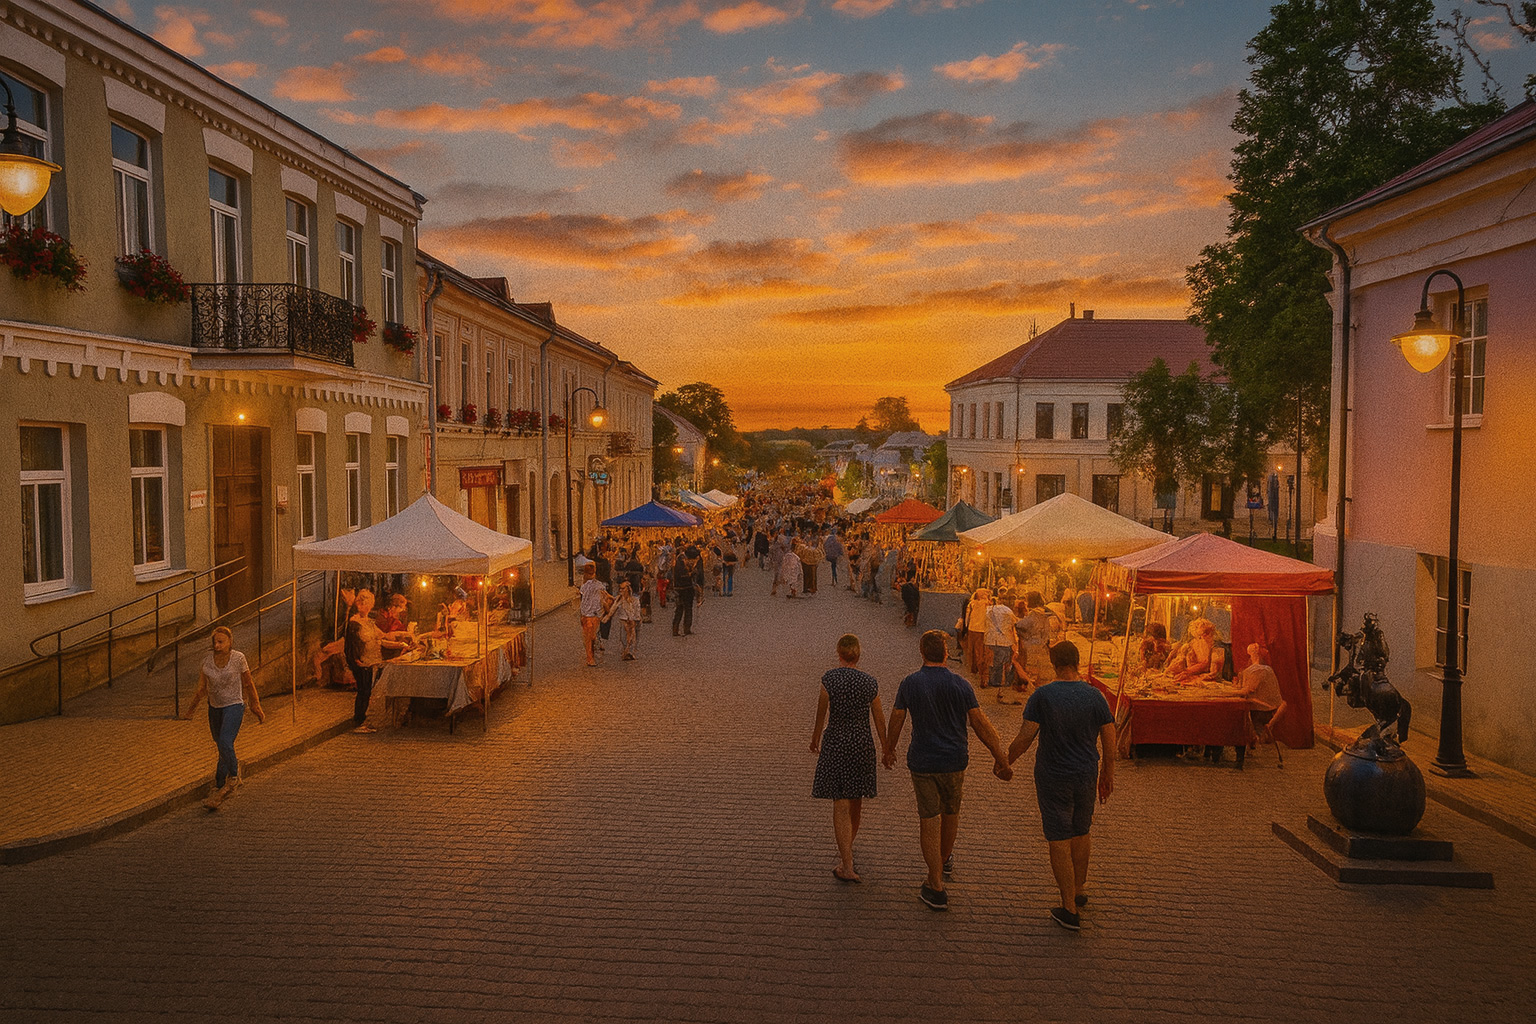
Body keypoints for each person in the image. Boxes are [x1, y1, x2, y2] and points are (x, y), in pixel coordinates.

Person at [882, 630, 1013, 911]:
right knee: (951, 814)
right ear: (945, 653)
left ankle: (936, 883)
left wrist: (889, 748)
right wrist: (999, 755)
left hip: (923, 761)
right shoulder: (961, 684)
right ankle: (942, 863)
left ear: (921, 652)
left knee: (929, 819)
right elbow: (979, 722)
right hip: (955, 759)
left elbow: (897, 717)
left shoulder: (910, 683)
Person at [1005, 640, 1116, 931]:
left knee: (1058, 836)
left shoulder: (1043, 696)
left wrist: (1005, 761)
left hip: (1053, 775)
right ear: (1077, 662)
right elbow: (1109, 737)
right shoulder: (1096, 696)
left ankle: (1068, 906)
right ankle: (1078, 889)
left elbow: (1026, 737)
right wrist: (1108, 773)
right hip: (1085, 774)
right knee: (1082, 830)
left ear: (1055, 663)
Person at [810, 634, 887, 883]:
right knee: (856, 801)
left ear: (839, 653)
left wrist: (815, 740)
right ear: (858, 654)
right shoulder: (869, 683)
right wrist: (887, 748)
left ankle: (846, 862)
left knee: (840, 803)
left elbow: (822, 713)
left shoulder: (829, 680)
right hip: (862, 744)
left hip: (837, 742)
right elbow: (878, 718)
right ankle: (847, 849)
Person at [182, 625, 265, 810]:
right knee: (221, 745)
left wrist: (255, 705)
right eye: (215, 642)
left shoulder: (238, 658)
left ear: (230, 642)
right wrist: (191, 710)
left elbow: (248, 682)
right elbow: (201, 688)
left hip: (234, 705)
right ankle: (219, 783)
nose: (217, 645)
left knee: (226, 742)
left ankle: (234, 777)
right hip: (215, 708)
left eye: (221, 641)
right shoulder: (207, 661)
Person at [344, 589, 413, 732]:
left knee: (367, 691)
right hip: (362, 662)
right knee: (363, 691)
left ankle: (362, 720)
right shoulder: (354, 623)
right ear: (359, 604)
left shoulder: (369, 622)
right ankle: (359, 721)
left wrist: (403, 639)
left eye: (369, 603)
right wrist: (355, 660)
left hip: (370, 661)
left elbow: (383, 637)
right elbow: (350, 645)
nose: (367, 606)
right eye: (364, 603)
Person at [984, 595, 1018, 690]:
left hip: (991, 639)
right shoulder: (1008, 611)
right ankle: (1006, 681)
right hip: (1005, 640)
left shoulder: (989, 610)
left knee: (994, 662)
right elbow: (1014, 623)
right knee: (1006, 661)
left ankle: (994, 680)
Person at [578, 562, 609, 666]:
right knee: (590, 636)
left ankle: (590, 656)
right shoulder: (598, 585)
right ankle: (590, 657)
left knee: (590, 636)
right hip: (592, 614)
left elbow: (582, 598)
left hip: (590, 614)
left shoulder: (586, 586)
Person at [605, 579, 643, 661]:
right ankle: (625, 651)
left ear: (628, 589)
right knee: (623, 637)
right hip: (624, 621)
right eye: (620, 588)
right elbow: (612, 609)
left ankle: (630, 653)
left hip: (634, 621)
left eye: (623, 588)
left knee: (634, 637)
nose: (620, 590)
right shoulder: (618, 599)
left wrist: (634, 621)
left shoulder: (635, 600)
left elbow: (637, 611)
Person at [672, 547, 698, 636]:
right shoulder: (680, 561)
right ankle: (677, 629)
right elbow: (684, 575)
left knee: (686, 608)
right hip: (682, 588)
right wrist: (692, 573)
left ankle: (685, 629)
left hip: (686, 587)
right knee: (681, 609)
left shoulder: (682, 559)